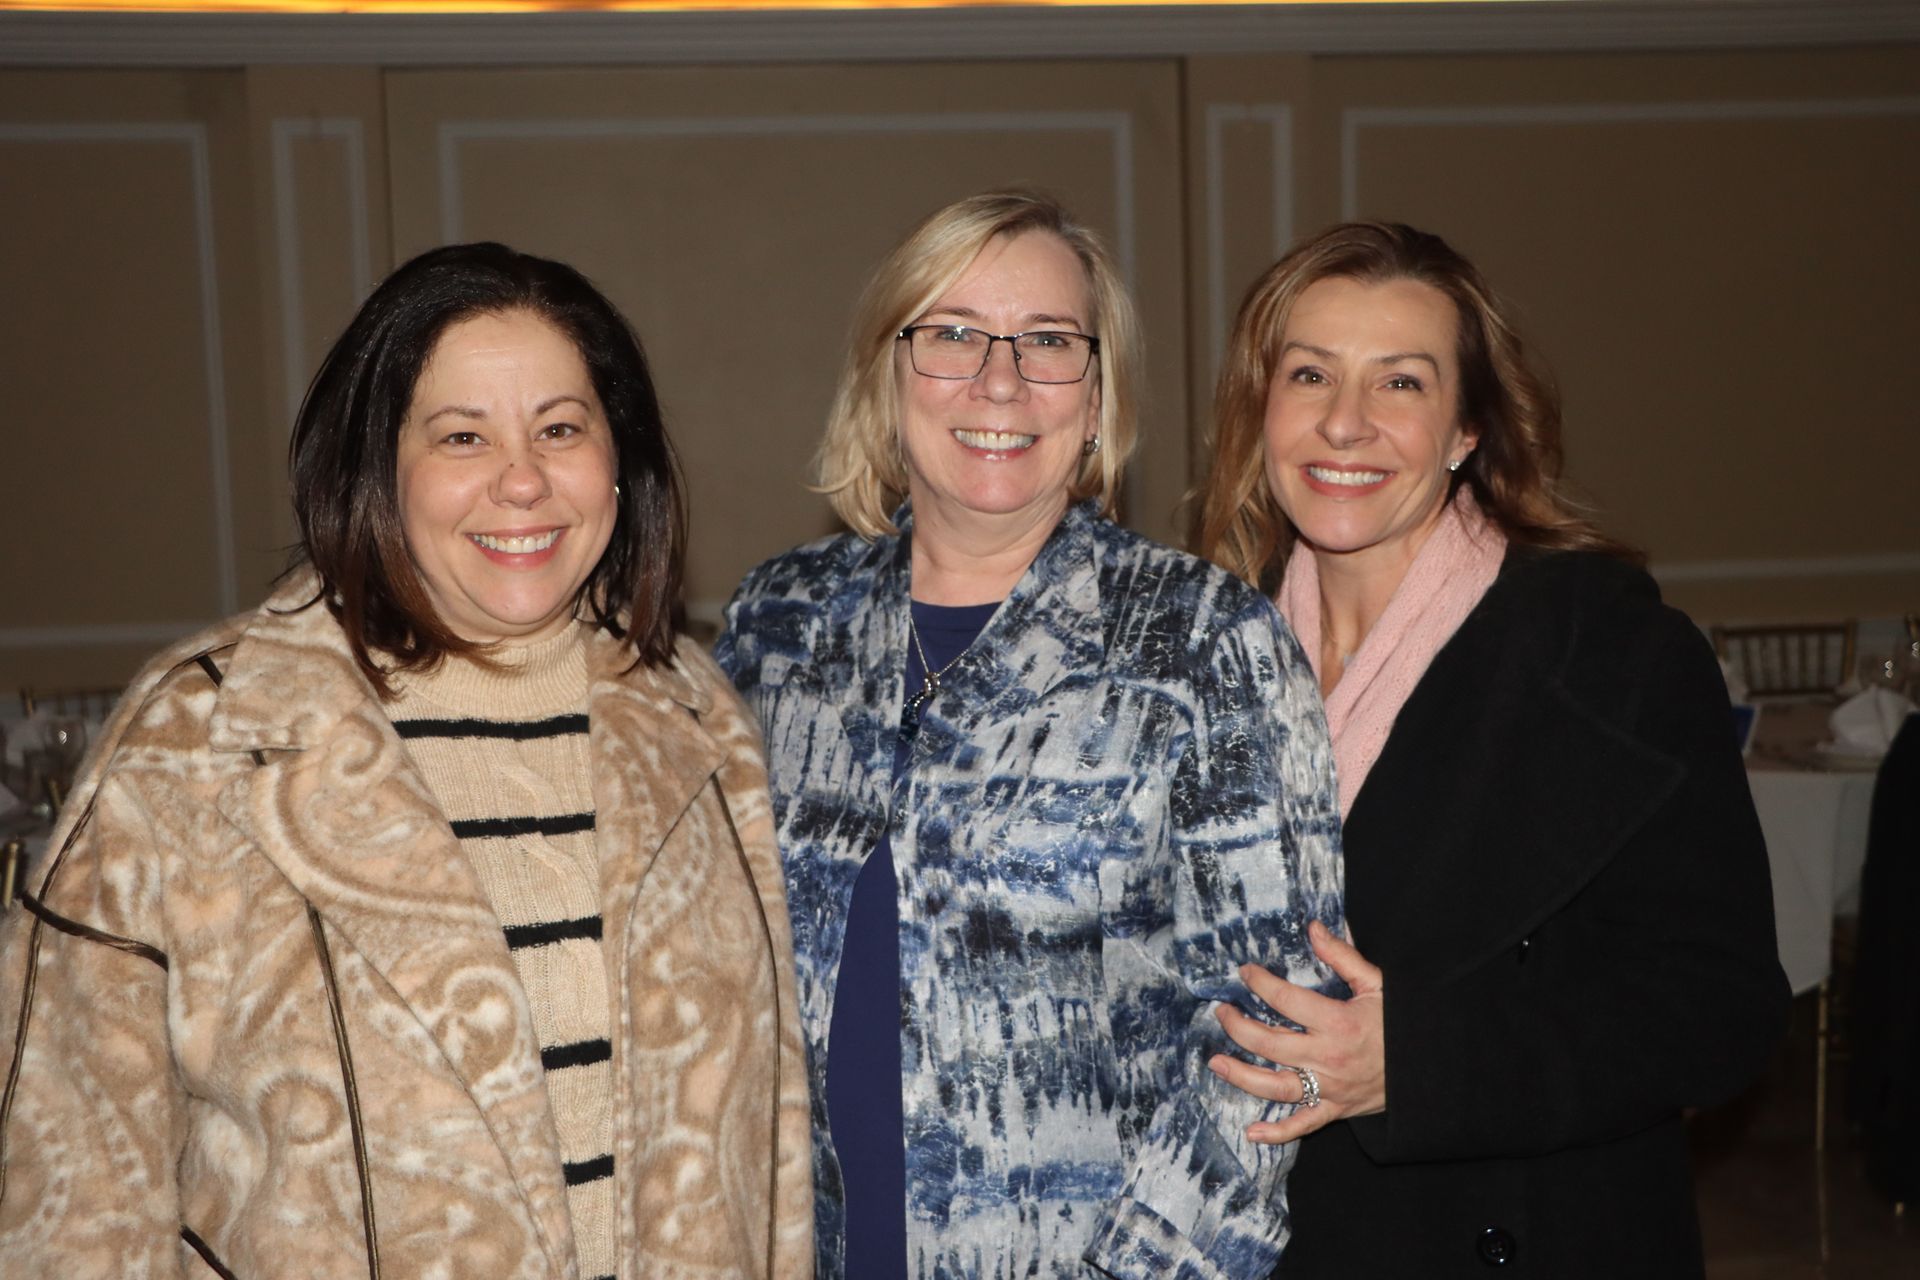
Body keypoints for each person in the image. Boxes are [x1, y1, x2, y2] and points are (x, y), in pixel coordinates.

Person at [0, 243, 812, 1279]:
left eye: (560, 428)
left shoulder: (698, 719)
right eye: (461, 435)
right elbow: (68, 1183)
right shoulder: (198, 735)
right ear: (378, 466)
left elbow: (768, 1149)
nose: (521, 479)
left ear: (619, 460)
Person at [715, 190, 1346, 1280]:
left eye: (1049, 342)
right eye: (953, 334)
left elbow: (1269, 1049)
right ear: (886, 374)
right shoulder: (780, 626)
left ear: (1098, 396)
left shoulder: (1203, 645)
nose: (998, 380)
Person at [1192, 221, 1789, 1277]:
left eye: (1402, 384)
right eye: (1311, 373)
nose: (1346, 422)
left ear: (1469, 426)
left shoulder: (1607, 656)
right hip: (1249, 1235)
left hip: (1516, 1226)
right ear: (1262, 410)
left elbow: (1720, 1011)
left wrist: (1415, 1061)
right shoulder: (1202, 656)